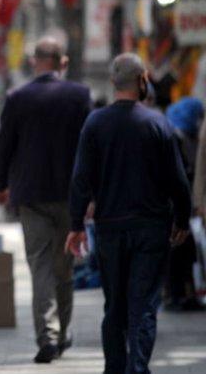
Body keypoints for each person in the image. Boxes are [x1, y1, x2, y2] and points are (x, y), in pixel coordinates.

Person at [67, 53, 192, 374]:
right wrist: (181, 219)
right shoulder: (157, 123)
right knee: (144, 307)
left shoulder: (95, 123)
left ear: (112, 83)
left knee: (115, 307)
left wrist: (76, 224)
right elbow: (178, 180)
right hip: (151, 230)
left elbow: (81, 179)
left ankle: (115, 369)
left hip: (110, 230)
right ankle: (136, 368)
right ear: (143, 79)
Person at [0, 37, 91, 363]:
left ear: (35, 62)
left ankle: (46, 337)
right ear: (62, 63)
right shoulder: (79, 96)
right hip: (69, 195)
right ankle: (63, 333)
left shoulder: (17, 97)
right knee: (65, 266)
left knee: (40, 266)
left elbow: (4, 145)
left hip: (31, 196)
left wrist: (1, 184)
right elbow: (87, 148)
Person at [165, 97, 204, 311]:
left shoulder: (185, 136)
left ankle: (184, 293)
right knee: (177, 250)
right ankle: (175, 294)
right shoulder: (175, 136)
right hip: (175, 205)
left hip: (182, 204)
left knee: (186, 251)